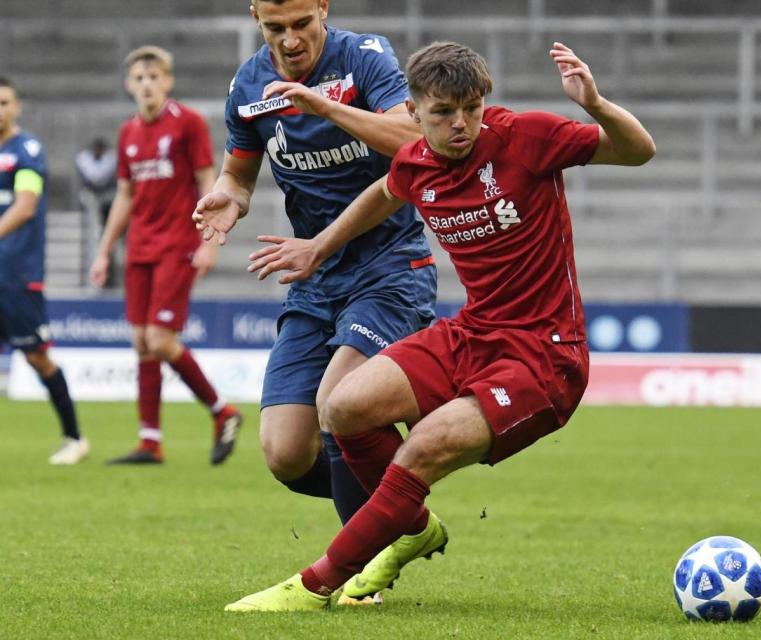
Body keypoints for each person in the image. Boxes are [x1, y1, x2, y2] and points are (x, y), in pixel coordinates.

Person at [222, 40, 656, 611]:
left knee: (422, 447)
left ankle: (314, 585)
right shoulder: (414, 161)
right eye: (443, 113)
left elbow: (637, 151)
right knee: (343, 409)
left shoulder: (528, 136)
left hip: (545, 357)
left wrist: (595, 104)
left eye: (471, 109)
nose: (462, 125)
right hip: (473, 333)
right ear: (413, 112)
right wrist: (319, 248)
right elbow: (384, 191)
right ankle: (415, 525)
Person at [192, 0, 437, 601]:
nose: (292, 38)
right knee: (284, 452)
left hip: (388, 268)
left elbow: (412, 140)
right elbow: (240, 173)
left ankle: (356, 573)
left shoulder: (366, 58)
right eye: (276, 28)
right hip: (313, 278)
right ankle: (405, 516)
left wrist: (328, 107)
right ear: (256, 17)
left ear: (323, 8)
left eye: (302, 23)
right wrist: (228, 196)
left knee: (339, 407)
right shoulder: (249, 84)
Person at [89, 46, 242, 465]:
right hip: (139, 246)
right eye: (139, 78)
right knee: (141, 342)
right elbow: (124, 196)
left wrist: (209, 243)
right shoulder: (128, 133)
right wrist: (104, 252)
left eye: (155, 76)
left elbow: (207, 182)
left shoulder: (188, 124)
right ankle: (150, 441)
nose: (147, 84)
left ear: (168, 81)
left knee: (160, 339)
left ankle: (223, 411)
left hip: (177, 245)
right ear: (129, 85)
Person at [0, 76, 90, 465]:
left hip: (16, 274)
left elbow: (25, 206)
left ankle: (74, 438)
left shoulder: (26, 151)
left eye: (4, 102)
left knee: (37, 357)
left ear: (17, 107)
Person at [76, 137, 117, 286]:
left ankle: (110, 280)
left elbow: (98, 178)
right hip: (91, 206)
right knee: (94, 240)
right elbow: (95, 177)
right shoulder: (84, 159)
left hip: (109, 208)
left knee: (111, 245)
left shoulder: (111, 159)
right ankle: (92, 281)